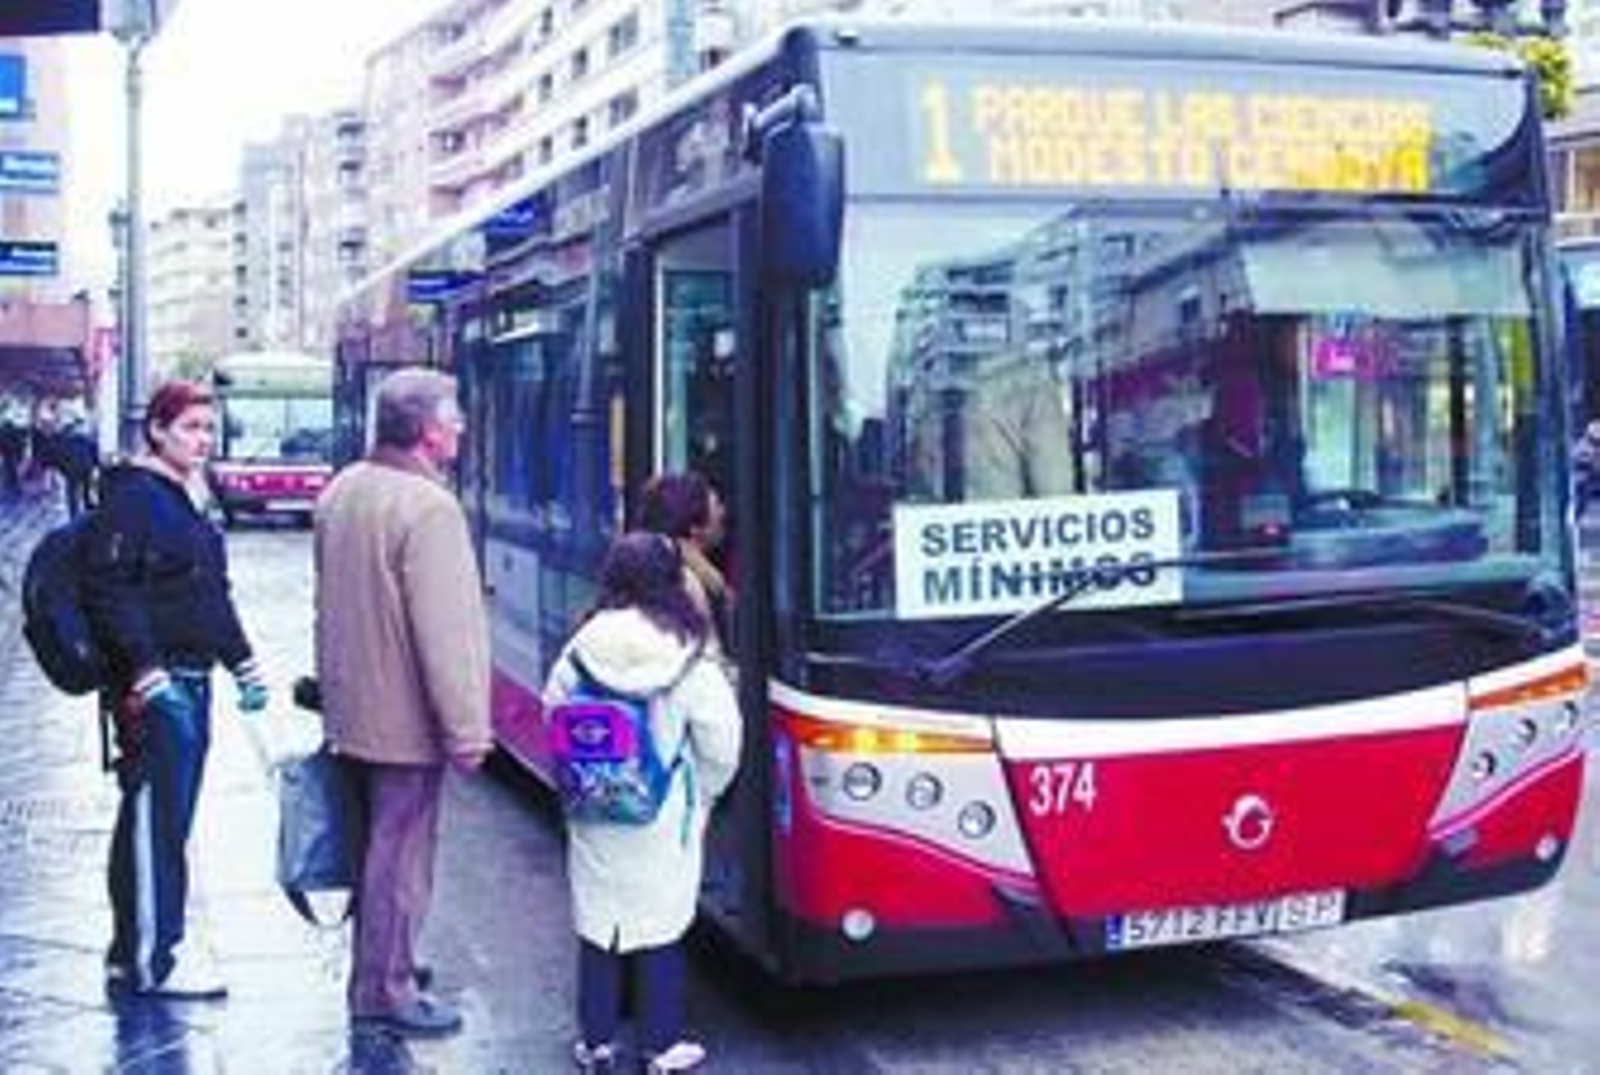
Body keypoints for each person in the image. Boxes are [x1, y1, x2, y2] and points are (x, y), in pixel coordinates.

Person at [313, 367, 491, 1040]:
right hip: (407, 719)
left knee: (374, 849)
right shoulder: (429, 508)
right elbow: (444, 633)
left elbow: (326, 609)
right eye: (453, 415)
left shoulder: (343, 491)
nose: (462, 426)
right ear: (423, 428)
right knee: (401, 855)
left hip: (355, 710)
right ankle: (386, 988)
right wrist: (468, 729)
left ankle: (379, 970)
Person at [81, 378, 269, 1000]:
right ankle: (152, 960)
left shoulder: (185, 497)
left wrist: (241, 663)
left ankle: (134, 950)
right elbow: (108, 589)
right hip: (157, 689)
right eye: (189, 427)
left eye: (208, 429)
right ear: (157, 429)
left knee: (162, 819)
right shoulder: (135, 497)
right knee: (154, 822)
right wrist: (144, 670)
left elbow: (207, 592)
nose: (202, 440)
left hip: (190, 678)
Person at [544, 532, 742, 1075]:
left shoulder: (581, 648)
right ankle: (659, 1046)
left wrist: (583, 780)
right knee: (661, 926)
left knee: (598, 924)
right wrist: (700, 795)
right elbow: (722, 742)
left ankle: (596, 1044)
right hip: (664, 813)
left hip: (592, 808)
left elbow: (553, 717)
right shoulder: (686, 652)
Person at [637, 472, 732, 654]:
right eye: (716, 506)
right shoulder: (686, 584)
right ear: (694, 528)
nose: (723, 512)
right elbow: (707, 659)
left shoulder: (654, 571)